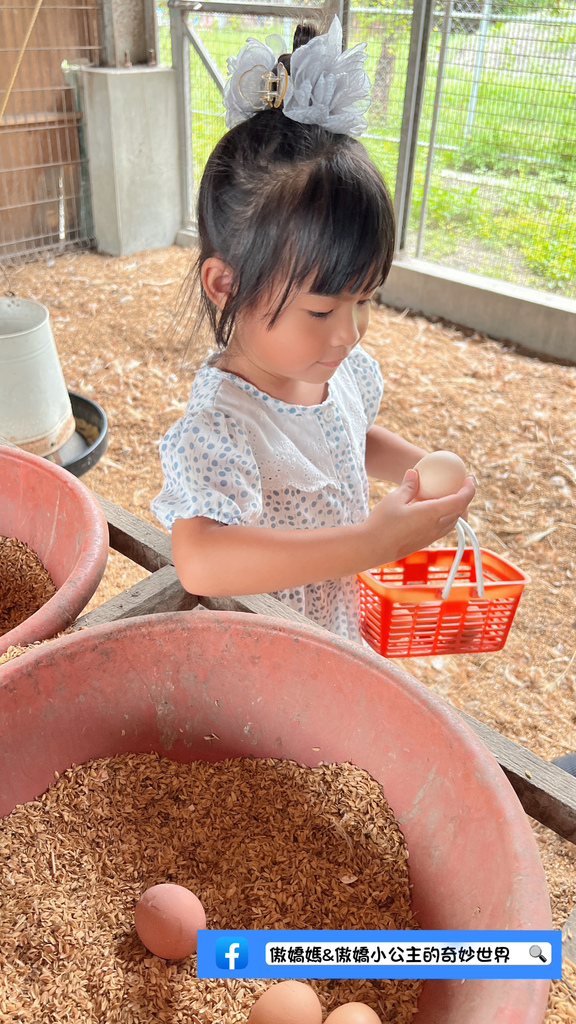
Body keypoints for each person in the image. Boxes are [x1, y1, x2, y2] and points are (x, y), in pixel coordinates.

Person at [151, 17, 475, 642]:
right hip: (270, 655)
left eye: (366, 300)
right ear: (225, 286)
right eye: (323, 311)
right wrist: (369, 542)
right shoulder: (223, 422)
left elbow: (346, 435)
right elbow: (199, 557)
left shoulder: (332, 368)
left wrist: (421, 469)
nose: (350, 332)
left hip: (334, 629)